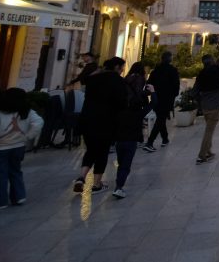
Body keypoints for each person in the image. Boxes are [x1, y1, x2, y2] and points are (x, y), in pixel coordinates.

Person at [74, 57, 127, 194]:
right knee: (102, 151)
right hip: (106, 120)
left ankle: (81, 177)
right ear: (117, 67)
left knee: (91, 149)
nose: (122, 70)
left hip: (87, 118)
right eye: (122, 67)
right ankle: (97, 183)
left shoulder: (93, 79)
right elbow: (122, 103)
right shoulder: (118, 81)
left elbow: (85, 85)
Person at [0, 88, 43, 209]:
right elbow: (39, 122)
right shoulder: (27, 112)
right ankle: (19, 196)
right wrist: (28, 136)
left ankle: (0, 201)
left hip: (0, 148)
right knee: (15, 171)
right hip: (19, 146)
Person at [112, 63, 151, 199]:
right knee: (126, 159)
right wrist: (150, 93)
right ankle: (119, 186)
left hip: (123, 113)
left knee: (122, 159)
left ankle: (119, 183)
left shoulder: (127, 78)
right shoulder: (140, 79)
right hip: (134, 111)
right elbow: (140, 94)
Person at [193, 55, 219, 164]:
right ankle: (201, 155)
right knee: (209, 131)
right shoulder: (217, 70)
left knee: (209, 128)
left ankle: (208, 151)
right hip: (215, 104)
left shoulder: (201, 73)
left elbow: (196, 89)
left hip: (205, 105)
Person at [143, 51, 179, 152]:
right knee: (161, 119)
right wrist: (173, 95)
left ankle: (165, 138)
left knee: (160, 118)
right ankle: (150, 142)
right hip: (167, 99)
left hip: (156, 98)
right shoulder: (173, 70)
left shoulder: (155, 71)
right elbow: (176, 86)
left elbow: (149, 84)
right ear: (170, 59)